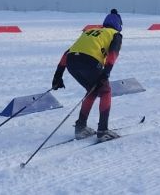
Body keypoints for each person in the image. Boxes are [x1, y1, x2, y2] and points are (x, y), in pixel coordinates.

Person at [52, 9, 123, 142]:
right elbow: (113, 55)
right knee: (106, 91)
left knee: (92, 91)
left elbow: (67, 53)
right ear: (119, 26)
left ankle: (80, 127)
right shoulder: (115, 34)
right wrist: (106, 73)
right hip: (89, 62)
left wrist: (58, 76)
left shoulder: (90, 31)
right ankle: (103, 131)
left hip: (72, 61)